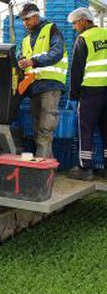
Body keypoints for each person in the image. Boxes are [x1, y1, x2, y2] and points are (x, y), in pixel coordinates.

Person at [18, 3, 69, 158]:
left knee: (45, 127)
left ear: (35, 16)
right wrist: (20, 60)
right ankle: (47, 163)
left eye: (27, 19)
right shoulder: (26, 39)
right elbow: (21, 56)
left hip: (51, 84)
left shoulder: (51, 30)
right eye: (23, 20)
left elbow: (57, 52)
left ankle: (42, 162)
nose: (25, 23)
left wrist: (33, 61)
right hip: (34, 86)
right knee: (38, 127)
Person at [67, 8, 107, 181]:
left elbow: (76, 71)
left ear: (84, 21)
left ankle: (86, 168)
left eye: (75, 23)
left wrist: (73, 97)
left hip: (91, 92)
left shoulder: (83, 39)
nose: (75, 27)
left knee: (86, 129)